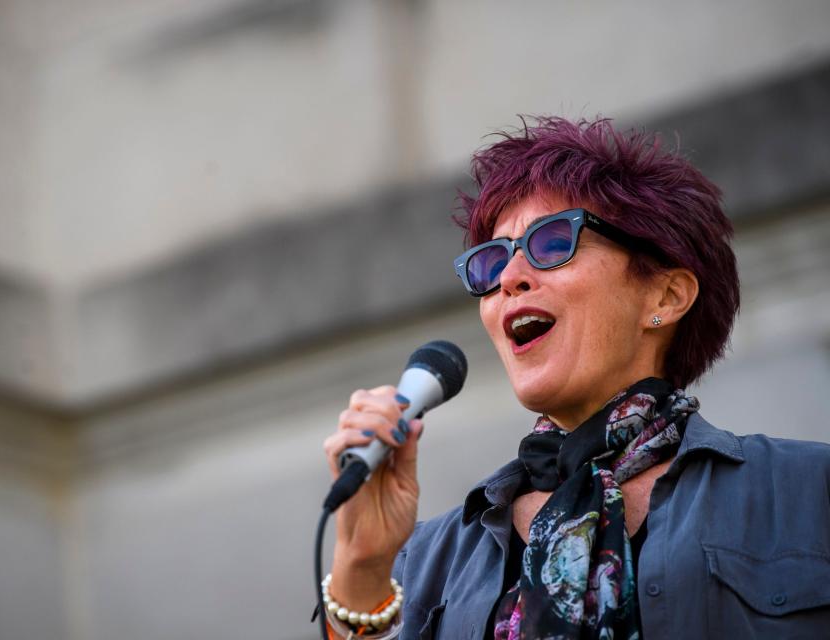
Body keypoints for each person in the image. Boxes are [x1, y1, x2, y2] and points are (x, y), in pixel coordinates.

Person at [320, 117, 830, 639]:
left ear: (665, 297)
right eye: (492, 261)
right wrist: (361, 568)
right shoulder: (428, 561)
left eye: (551, 242)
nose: (510, 279)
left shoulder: (809, 493)